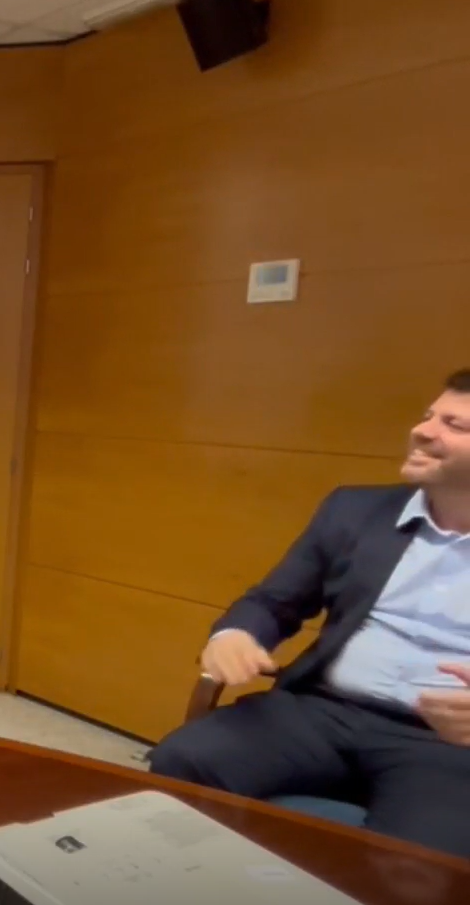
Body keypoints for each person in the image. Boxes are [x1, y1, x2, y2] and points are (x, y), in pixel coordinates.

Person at [148, 368, 470, 860]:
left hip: (445, 745)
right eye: (428, 416)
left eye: (454, 425)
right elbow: (274, 601)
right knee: (184, 760)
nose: (422, 431)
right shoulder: (356, 510)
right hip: (323, 711)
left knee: (420, 869)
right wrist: (234, 634)